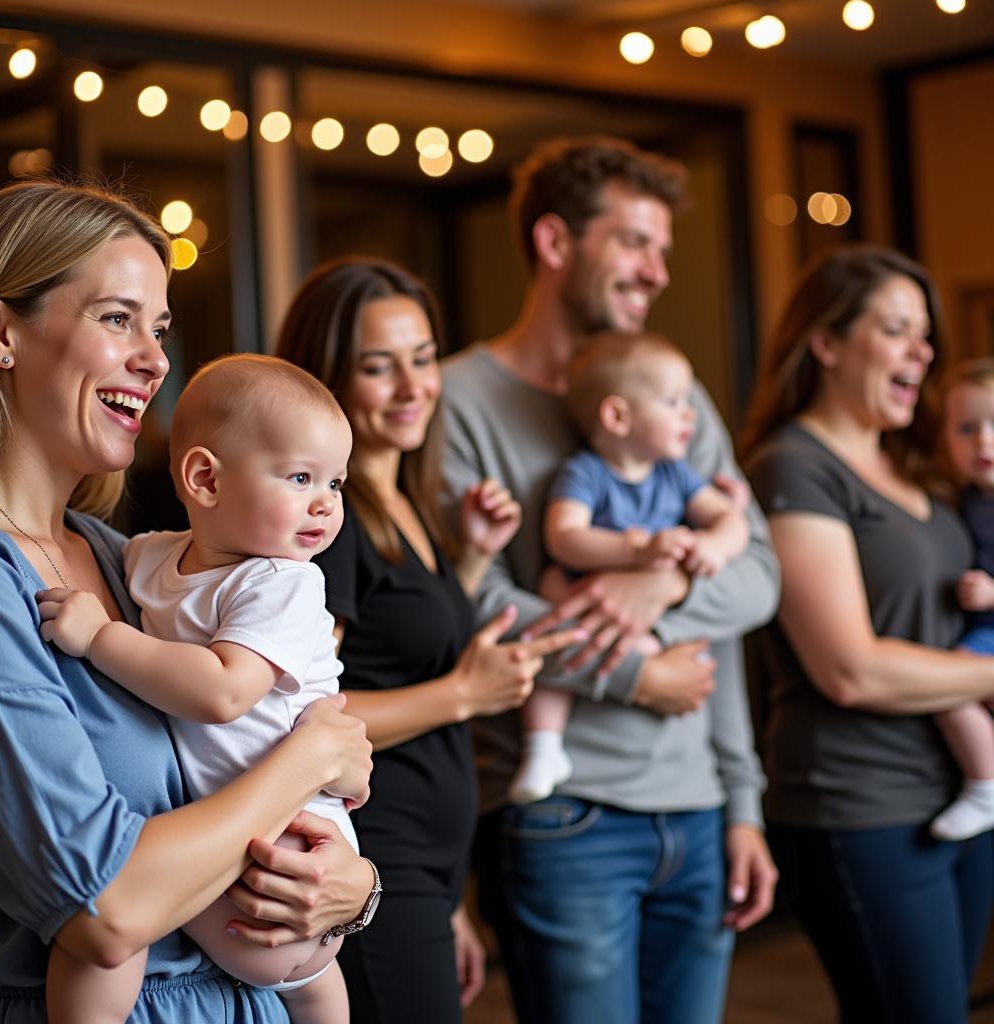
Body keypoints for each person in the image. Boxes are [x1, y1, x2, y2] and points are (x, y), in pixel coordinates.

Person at [0, 180, 374, 1024]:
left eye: (157, 328)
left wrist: (352, 888)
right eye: (118, 318)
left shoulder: (128, 562)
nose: (155, 358)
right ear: (0, 331)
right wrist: (309, 759)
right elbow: (106, 908)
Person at [442, 135, 779, 1024]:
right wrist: (634, 671)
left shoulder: (676, 395)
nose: (658, 271)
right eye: (635, 242)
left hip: (700, 807)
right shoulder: (459, 399)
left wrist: (742, 799)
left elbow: (755, 581)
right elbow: (470, 601)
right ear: (557, 244)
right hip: (565, 817)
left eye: (663, 249)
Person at [275, 255, 584, 1024]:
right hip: (375, 852)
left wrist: (470, 559)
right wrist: (464, 695)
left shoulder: (398, 501)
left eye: (422, 359)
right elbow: (303, 709)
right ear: (327, 378)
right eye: (381, 367)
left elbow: (397, 639)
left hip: (421, 870)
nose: (415, 387)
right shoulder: (331, 522)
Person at [38, 354, 368, 1023]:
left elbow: (222, 692)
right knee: (315, 986)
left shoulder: (284, 582)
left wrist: (99, 637)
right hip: (265, 885)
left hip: (281, 860)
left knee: (107, 934)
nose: (326, 503)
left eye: (335, 481)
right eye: (301, 477)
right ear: (204, 478)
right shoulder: (149, 555)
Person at [743, 244, 994, 1023]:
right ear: (826, 342)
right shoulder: (794, 467)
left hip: (961, 793)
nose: (922, 351)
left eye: (925, 334)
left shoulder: (923, 468)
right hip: (861, 803)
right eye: (895, 329)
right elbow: (850, 668)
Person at [509, 332, 749, 804]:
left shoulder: (674, 473)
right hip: (587, 591)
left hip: (655, 614)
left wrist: (715, 546)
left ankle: (653, 678)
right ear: (617, 416)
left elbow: (730, 520)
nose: (690, 414)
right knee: (550, 614)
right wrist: (635, 550)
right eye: (674, 401)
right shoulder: (587, 473)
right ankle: (544, 746)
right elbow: (565, 537)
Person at [928, 359, 994, 840]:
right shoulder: (962, 499)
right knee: (950, 689)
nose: (983, 441)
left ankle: (984, 787)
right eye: (967, 428)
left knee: (948, 683)